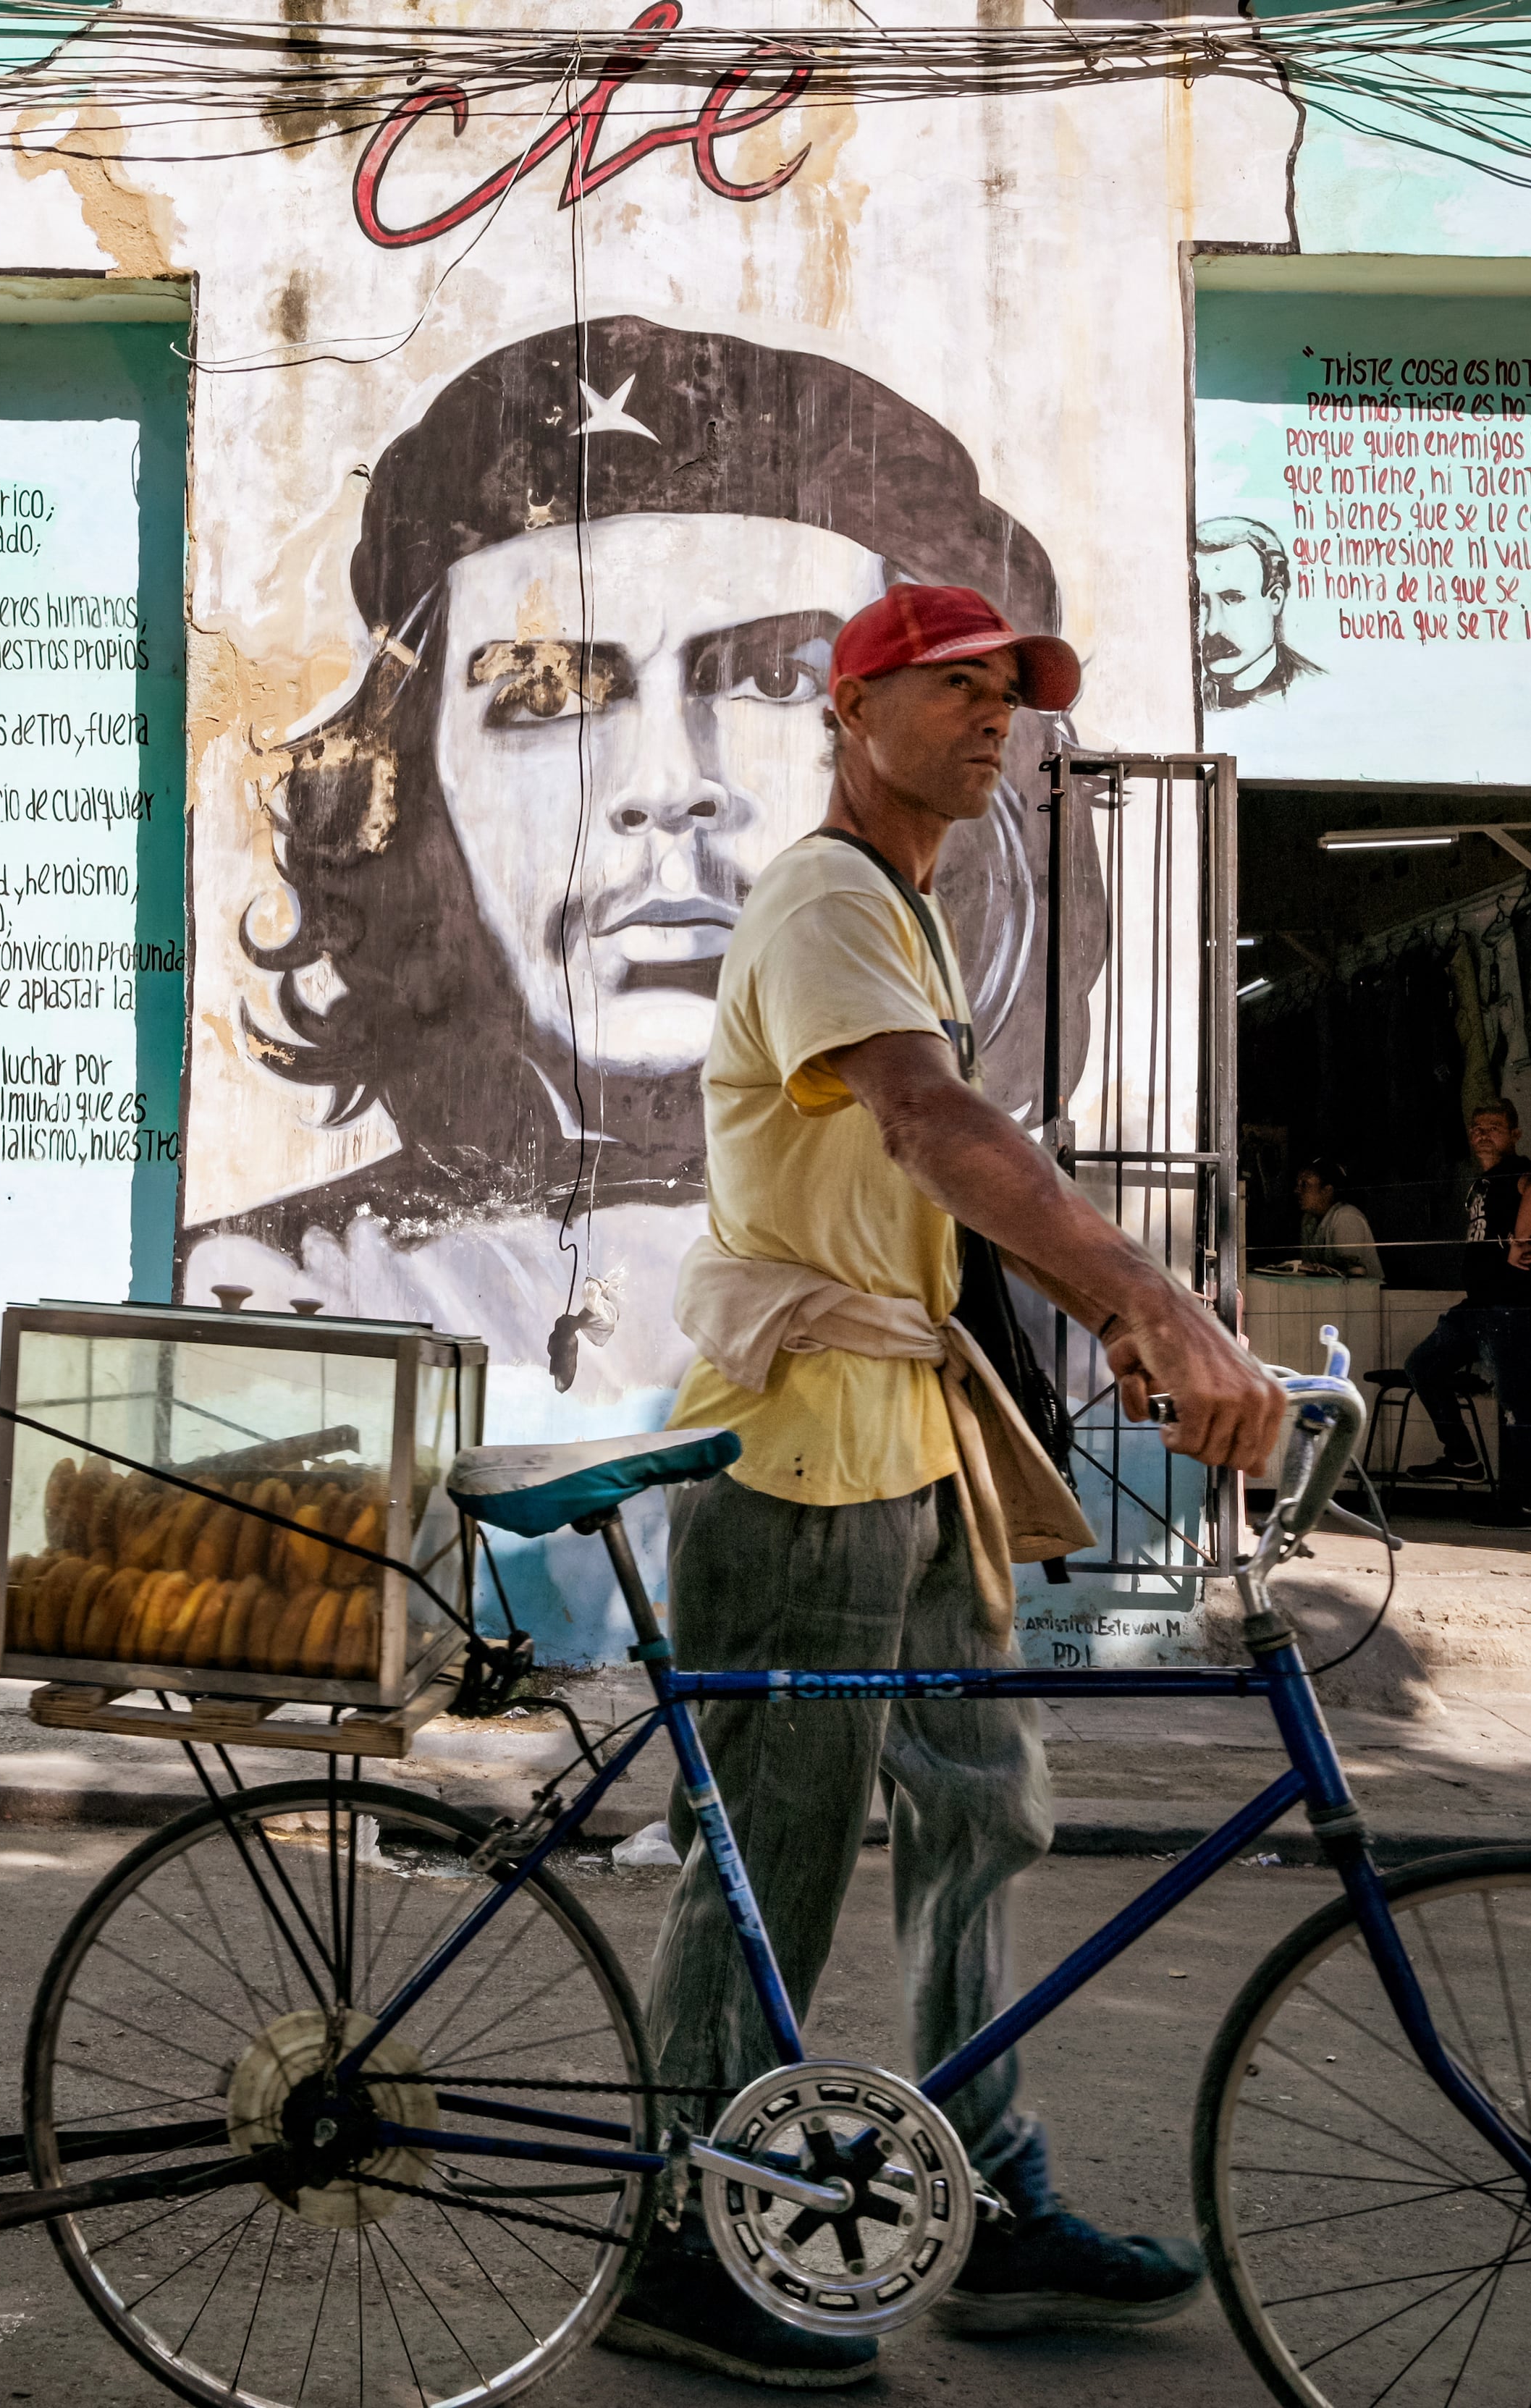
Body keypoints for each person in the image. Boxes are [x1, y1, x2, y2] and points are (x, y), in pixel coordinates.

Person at [599, 583, 1289, 2388]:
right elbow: (930, 1126)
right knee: (776, 1861)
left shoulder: (903, 905)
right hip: (798, 1449)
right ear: (850, 710)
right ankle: (681, 2227)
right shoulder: (825, 892)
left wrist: (1107, 1330)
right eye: (955, 690)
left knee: (983, 1818)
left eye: (1011, 696)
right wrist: (1148, 1295)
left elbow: (943, 1186)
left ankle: (982, 2195)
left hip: (913, 1436)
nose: (996, 720)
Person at [185, 318, 1108, 1404]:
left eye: (768, 681)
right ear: (420, 779)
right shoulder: (281, 1292)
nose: (668, 784)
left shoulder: (1023, 1278)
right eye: (549, 693)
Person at [1403, 1102, 1531, 1526]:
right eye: (1477, 1128)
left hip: (1512, 1306)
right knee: (1422, 1365)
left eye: (1495, 1128)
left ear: (1515, 1134)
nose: (1484, 1134)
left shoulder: (1515, 1170)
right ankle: (1464, 1458)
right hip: (1481, 1306)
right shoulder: (1486, 1181)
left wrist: (1517, 1241)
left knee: (1517, 1404)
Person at [1193, 515, 1321, 711]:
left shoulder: (1318, 691)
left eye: (1233, 599)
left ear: (1275, 599)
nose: (1211, 627)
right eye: (1201, 601)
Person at [1281, 1157, 1381, 1279]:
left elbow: (1352, 1274)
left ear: (1327, 1191)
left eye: (1305, 1184)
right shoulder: (1308, 1221)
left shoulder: (1346, 1217)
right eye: (1298, 1184)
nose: (1297, 1190)